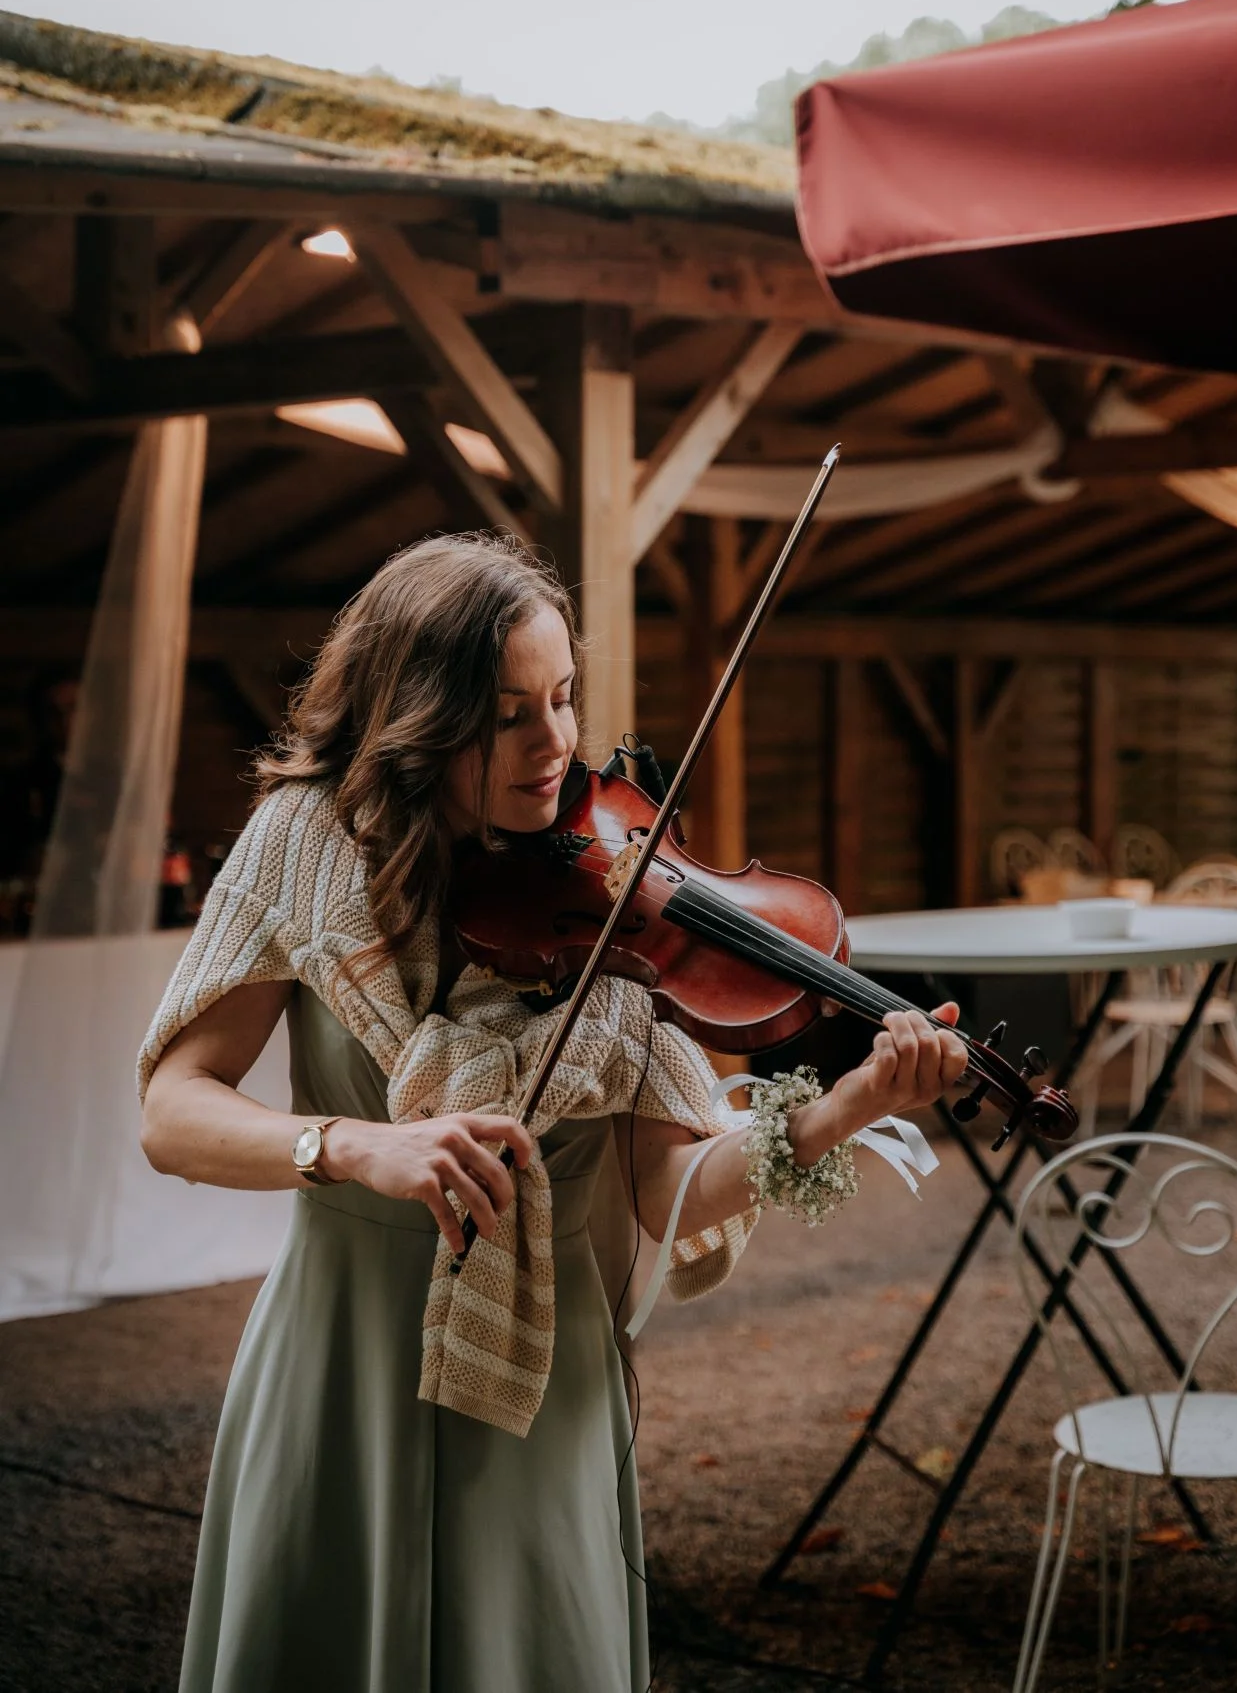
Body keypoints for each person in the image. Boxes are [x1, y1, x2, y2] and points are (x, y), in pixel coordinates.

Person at [138, 531, 966, 1693]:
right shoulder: (305, 844)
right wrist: (353, 1145)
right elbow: (173, 1112)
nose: (556, 745)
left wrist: (847, 1104)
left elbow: (668, 1194)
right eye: (509, 713)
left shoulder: (614, 895)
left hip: (547, 1388)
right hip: (340, 1362)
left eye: (564, 698)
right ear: (420, 718)